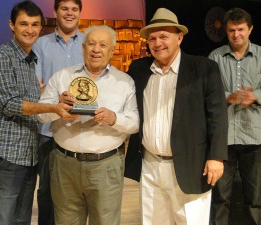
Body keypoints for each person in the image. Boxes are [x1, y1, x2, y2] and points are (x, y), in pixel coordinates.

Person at [124, 8, 228, 225]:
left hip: (191, 165)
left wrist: (216, 156)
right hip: (150, 166)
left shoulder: (204, 68)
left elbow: (217, 115)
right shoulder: (139, 69)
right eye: (152, 38)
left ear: (179, 38)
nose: (157, 43)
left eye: (164, 36)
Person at [0, 1, 77, 225]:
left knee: (20, 220)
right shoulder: (2, 57)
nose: (30, 29)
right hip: (5, 154)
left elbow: (36, 100)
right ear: (11, 25)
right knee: (1, 219)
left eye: (35, 24)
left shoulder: (30, 60)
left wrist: (58, 100)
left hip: (28, 153)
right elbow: (9, 104)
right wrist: (53, 107)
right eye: (23, 23)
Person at [37, 25, 139, 225]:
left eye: (103, 45)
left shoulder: (124, 82)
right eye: (91, 44)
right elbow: (41, 115)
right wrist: (58, 108)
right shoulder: (62, 77)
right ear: (83, 48)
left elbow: (135, 123)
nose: (96, 49)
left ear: (111, 50)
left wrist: (114, 118)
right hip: (65, 165)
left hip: (106, 167)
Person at [32, 1, 83, 223]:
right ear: (55, 12)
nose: (69, 13)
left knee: (76, 194)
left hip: (80, 132)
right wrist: (57, 102)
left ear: (80, 12)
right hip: (48, 132)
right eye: (64, 9)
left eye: (74, 9)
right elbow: (37, 86)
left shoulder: (89, 43)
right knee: (47, 192)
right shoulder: (40, 45)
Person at [209, 8, 261, 225]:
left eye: (240, 29)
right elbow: (206, 93)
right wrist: (227, 97)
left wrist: (255, 95)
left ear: (250, 29)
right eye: (231, 30)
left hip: (255, 137)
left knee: (256, 198)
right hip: (224, 137)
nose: (236, 34)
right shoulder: (215, 57)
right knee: (221, 197)